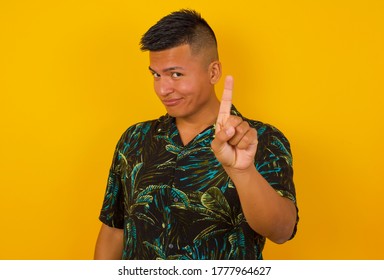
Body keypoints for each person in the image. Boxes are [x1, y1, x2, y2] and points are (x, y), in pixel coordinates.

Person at [94, 9, 298, 260]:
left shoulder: (262, 139)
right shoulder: (134, 139)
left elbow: (281, 231)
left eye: (176, 74)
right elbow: (114, 230)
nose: (163, 89)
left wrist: (243, 172)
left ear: (213, 72)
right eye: (156, 75)